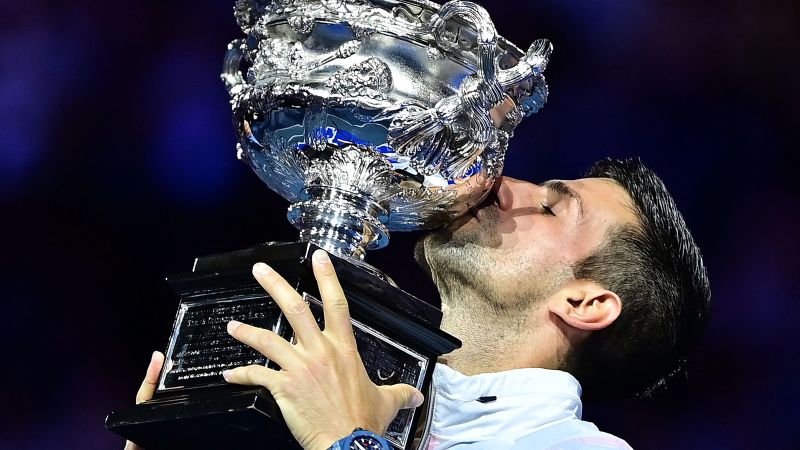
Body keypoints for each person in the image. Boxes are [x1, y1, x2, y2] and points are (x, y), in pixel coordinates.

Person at [125, 158, 710, 450]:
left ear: (586, 302)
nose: (505, 183)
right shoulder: (361, 390)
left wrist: (346, 438)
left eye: (553, 208)